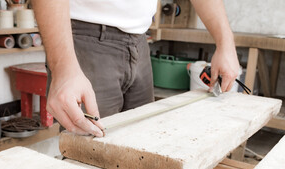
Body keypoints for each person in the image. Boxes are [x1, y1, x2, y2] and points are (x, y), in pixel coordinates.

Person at [32, 0, 240, 138]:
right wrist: (63, 68)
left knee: (142, 148)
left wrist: (226, 43)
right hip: (85, 38)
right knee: (88, 161)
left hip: (140, 42)